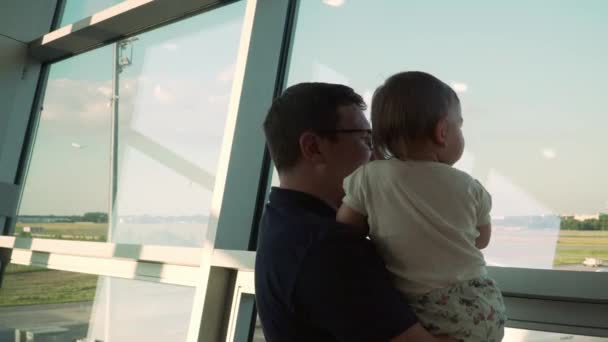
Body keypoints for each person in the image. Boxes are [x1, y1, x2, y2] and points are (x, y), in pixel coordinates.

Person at [255, 82, 455, 342]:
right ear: (314, 147)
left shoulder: (283, 225)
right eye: (366, 139)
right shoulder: (327, 247)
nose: (379, 157)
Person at [337, 71, 507, 341]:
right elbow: (481, 240)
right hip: (482, 307)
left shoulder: (369, 177)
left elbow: (345, 231)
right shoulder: (470, 186)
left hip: (427, 311)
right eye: (459, 127)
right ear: (442, 132)